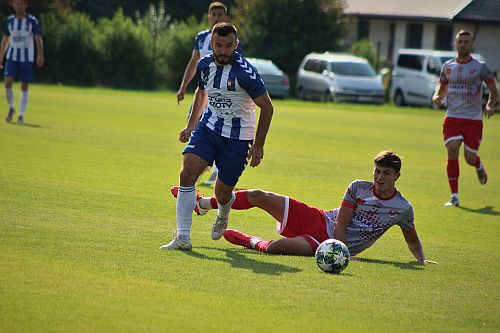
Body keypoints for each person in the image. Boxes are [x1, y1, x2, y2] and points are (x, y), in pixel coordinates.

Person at [170, 151, 437, 264]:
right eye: (377, 171)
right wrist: (343, 250)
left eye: (386, 173)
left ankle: (249, 241)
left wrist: (422, 260)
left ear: (396, 176)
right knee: (258, 195)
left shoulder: (402, 208)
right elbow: (341, 223)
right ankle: (203, 204)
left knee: (274, 249)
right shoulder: (358, 187)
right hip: (319, 222)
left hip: (323, 245)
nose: (379, 177)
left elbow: (411, 237)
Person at [160, 22, 274, 251]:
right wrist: (191, 125)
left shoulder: (246, 73)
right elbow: (202, 93)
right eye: (219, 45)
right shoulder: (204, 65)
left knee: (222, 192)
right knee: (187, 171)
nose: (223, 51)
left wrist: (259, 146)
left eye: (228, 46)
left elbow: (268, 107)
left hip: (238, 136)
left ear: (236, 45)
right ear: (211, 44)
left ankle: (223, 211)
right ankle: (183, 237)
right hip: (209, 127)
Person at [177, 2, 243, 186]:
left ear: (225, 17)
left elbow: (239, 67)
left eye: (220, 15)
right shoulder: (201, 38)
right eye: (213, 15)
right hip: (203, 93)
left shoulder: (231, 40)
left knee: (220, 132)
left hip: (223, 97)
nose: (216, 18)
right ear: (208, 17)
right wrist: (183, 87)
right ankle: (200, 167)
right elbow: (193, 62)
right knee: (196, 129)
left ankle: (217, 174)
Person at [432, 29, 498, 207]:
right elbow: (442, 88)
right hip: (452, 117)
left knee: (469, 158)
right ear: (455, 44)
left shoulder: (480, 67)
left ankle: (478, 165)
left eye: (466, 42)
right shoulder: (448, 66)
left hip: (473, 119)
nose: (462, 45)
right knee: (452, 150)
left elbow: (494, 91)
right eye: (460, 41)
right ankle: (454, 196)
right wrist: (437, 97)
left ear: (472, 44)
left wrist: (490, 105)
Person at [0, 0, 44, 125]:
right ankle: (12, 107)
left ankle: (21, 115)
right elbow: (7, 38)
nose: (19, 6)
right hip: (12, 57)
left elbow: (38, 38)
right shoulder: (10, 21)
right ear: (13, 5)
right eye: (17, 4)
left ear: (26, 5)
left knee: (24, 85)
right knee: (7, 81)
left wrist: (40, 54)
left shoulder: (32, 21)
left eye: (21, 4)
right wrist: (1, 55)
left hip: (27, 58)